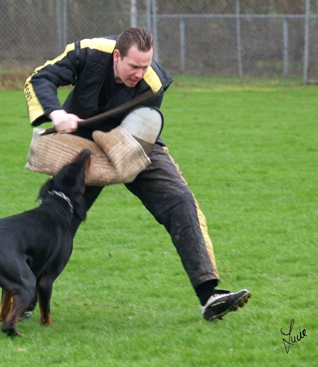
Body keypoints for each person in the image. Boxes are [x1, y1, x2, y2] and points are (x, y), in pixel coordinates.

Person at [24, 27, 250, 321]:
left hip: (133, 141)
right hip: (81, 140)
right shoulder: (90, 52)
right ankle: (25, 294)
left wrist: (118, 162)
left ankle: (210, 296)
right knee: (58, 218)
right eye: (134, 66)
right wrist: (56, 114)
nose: (140, 74)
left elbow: (140, 131)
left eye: (145, 66)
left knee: (180, 201)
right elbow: (39, 78)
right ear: (116, 56)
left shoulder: (153, 85)